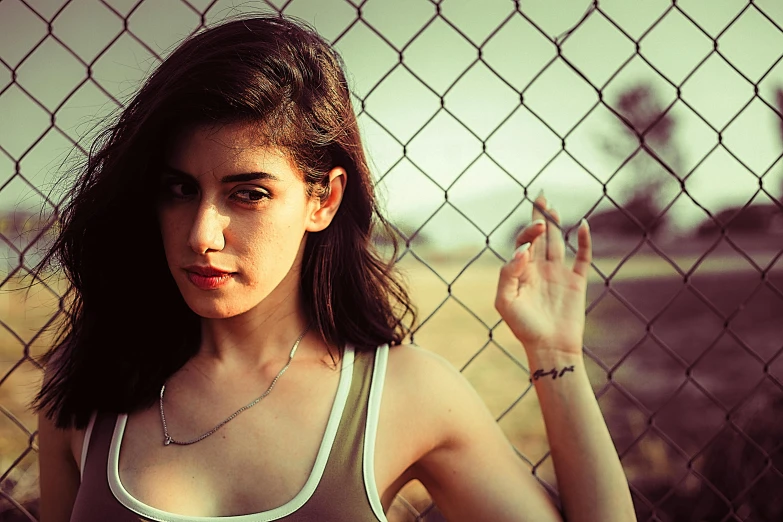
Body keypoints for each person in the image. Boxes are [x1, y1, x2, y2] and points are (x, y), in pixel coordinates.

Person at [33, 15, 636, 522]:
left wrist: (557, 355)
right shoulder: (86, 383)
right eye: (179, 189)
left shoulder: (406, 394)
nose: (201, 234)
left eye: (248, 194)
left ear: (322, 200)